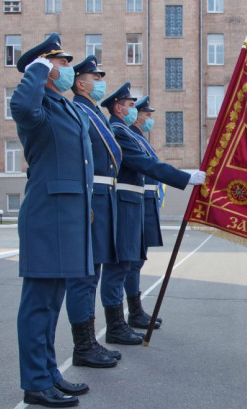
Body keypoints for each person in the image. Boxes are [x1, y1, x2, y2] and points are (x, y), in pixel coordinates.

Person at [11, 33, 91, 408]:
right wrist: (36, 69)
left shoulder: (64, 106)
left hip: (66, 219)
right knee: (38, 305)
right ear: (42, 69)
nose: (67, 69)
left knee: (51, 305)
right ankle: (35, 382)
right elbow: (22, 108)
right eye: (59, 63)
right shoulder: (36, 102)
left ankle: (48, 373)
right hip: (46, 217)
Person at [99, 83, 205, 346]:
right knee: (119, 265)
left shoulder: (130, 134)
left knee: (132, 261)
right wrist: (184, 177)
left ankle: (131, 314)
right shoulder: (118, 131)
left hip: (136, 203)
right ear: (118, 107)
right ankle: (115, 325)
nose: (141, 114)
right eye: (134, 106)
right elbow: (145, 165)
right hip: (125, 204)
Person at [64, 55, 122, 369]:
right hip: (91, 198)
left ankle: (89, 343)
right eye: (94, 77)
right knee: (84, 276)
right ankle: (83, 346)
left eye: (99, 77)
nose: (99, 82)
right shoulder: (79, 110)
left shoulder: (92, 111)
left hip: (103, 197)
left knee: (93, 272)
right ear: (79, 82)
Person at [124, 96, 163, 330]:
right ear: (136, 115)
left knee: (138, 261)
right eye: (147, 115)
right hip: (137, 200)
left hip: (146, 201)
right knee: (131, 262)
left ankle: (136, 310)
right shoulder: (131, 136)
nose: (150, 119)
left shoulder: (140, 138)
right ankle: (133, 312)